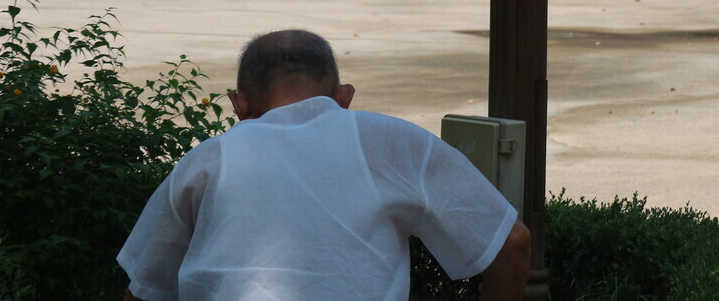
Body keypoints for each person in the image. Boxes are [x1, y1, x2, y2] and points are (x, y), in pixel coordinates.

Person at [118, 30, 531, 301]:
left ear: (238, 105)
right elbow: (511, 242)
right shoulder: (395, 141)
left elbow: (146, 286)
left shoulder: (208, 158)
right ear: (344, 96)